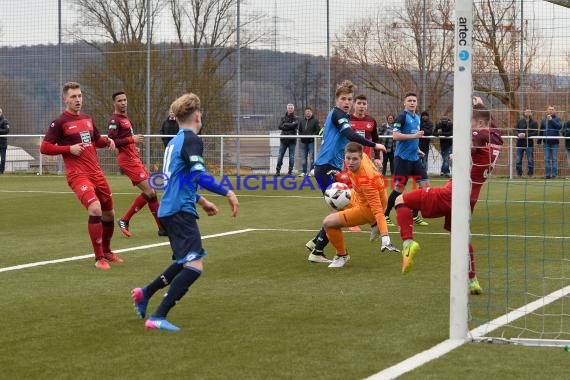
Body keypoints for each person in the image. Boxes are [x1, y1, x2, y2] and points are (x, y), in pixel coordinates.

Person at [131, 92, 239, 331]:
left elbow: (179, 179)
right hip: (179, 211)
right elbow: (198, 174)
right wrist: (227, 193)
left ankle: (145, 293)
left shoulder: (173, 142)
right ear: (197, 116)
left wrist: (201, 201)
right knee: (194, 266)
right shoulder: (191, 139)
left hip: (170, 209)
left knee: (183, 261)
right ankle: (158, 316)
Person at [394, 98, 503, 295]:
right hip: (470, 198)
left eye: (470, 122)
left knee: (400, 200)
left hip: (453, 194)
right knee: (461, 237)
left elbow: (474, 142)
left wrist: (459, 154)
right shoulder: (496, 137)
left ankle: (408, 243)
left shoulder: (478, 133)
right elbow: (488, 123)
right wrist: (481, 105)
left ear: (477, 124)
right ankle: (472, 281)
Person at [40, 82, 121, 269]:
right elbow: (45, 147)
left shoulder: (87, 119)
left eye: (80, 96)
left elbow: (95, 140)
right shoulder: (59, 122)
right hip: (78, 175)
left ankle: (107, 251)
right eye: (73, 97)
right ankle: (98, 257)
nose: (78, 100)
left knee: (109, 213)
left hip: (96, 173)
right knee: (95, 209)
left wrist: (107, 141)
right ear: (65, 99)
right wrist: (69, 148)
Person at [305, 80, 386, 263]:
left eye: (349, 99)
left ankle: (315, 244)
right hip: (326, 168)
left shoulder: (339, 115)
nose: (347, 102)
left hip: (329, 167)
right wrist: (374, 145)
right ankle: (318, 251)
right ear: (336, 100)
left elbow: (333, 137)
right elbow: (350, 135)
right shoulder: (338, 114)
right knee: (341, 207)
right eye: (343, 99)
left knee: (344, 203)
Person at [323, 142, 399, 268]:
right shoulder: (361, 155)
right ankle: (374, 223)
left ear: (361, 158)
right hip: (361, 195)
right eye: (348, 158)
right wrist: (339, 175)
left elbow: (378, 210)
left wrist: (385, 236)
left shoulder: (366, 180)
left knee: (328, 223)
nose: (350, 162)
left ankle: (342, 255)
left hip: (367, 208)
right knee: (337, 200)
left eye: (354, 159)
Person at [107, 91, 165, 237]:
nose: (123, 103)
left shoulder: (125, 118)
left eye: (125, 100)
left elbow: (124, 140)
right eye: (120, 100)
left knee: (152, 192)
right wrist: (131, 140)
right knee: (150, 191)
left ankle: (161, 228)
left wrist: (132, 147)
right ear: (114, 103)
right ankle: (126, 220)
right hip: (128, 161)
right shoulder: (114, 120)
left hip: (133, 157)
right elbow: (111, 141)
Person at [381, 92, 430, 228]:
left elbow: (413, 138)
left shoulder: (418, 118)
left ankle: (414, 215)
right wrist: (414, 135)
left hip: (414, 158)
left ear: (417, 103)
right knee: (399, 188)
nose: (412, 103)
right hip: (402, 159)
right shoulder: (402, 117)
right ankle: (385, 215)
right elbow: (395, 136)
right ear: (404, 103)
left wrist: (417, 149)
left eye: (414, 100)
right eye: (409, 100)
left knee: (425, 186)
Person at [350, 95, 382, 167]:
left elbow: (375, 140)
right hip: (349, 159)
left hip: (366, 158)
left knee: (364, 178)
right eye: (359, 103)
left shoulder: (371, 120)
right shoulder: (347, 119)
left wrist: (377, 157)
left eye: (364, 104)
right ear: (353, 105)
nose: (362, 106)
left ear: (367, 106)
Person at [538, 105, 562, 179]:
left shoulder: (557, 119)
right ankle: (547, 175)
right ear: (547, 111)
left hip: (555, 142)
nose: (551, 110)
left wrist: (551, 120)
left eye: (552, 109)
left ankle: (554, 175)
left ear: (554, 111)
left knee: (554, 159)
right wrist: (539, 141)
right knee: (546, 159)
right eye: (549, 109)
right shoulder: (543, 120)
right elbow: (541, 131)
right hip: (546, 142)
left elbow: (559, 127)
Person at [276, 103, 299, 176]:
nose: (290, 109)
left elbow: (294, 125)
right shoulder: (283, 117)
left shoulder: (296, 118)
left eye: (291, 108)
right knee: (280, 156)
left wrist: (285, 124)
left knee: (291, 156)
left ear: (293, 109)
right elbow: (279, 126)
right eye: (289, 108)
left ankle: (290, 171)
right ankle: (278, 171)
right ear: (287, 109)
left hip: (292, 140)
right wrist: (290, 125)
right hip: (283, 140)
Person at [514, 109, 538, 178]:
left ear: (531, 113)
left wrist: (525, 135)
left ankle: (530, 174)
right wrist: (518, 134)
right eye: (526, 112)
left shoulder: (534, 122)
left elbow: (536, 132)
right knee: (518, 160)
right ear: (524, 113)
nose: (528, 113)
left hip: (529, 144)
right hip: (520, 144)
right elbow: (515, 130)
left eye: (529, 112)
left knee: (530, 160)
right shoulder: (520, 121)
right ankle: (519, 174)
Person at [297, 106, 320, 177]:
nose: (308, 113)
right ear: (304, 113)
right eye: (306, 111)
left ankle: (311, 172)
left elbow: (318, 130)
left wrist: (311, 136)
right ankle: (304, 172)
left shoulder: (315, 120)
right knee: (303, 158)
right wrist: (301, 136)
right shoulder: (301, 121)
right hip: (303, 142)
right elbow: (299, 130)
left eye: (309, 111)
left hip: (311, 142)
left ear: (311, 112)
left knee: (312, 158)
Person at [0, 108, 9, 174]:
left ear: (1, 113)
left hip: (3, 144)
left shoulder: (5, 121)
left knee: (3, 160)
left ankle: (1, 172)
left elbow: (7, 130)